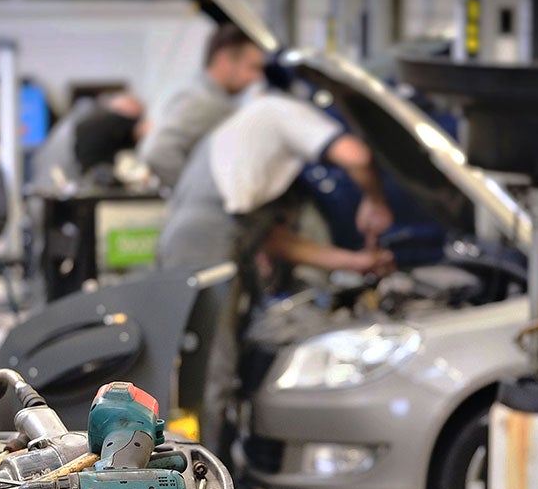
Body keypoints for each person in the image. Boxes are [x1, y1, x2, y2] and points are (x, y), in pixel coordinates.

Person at [159, 91, 395, 456]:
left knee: (221, 366)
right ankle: (203, 485)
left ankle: (224, 468)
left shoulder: (251, 141)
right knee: (212, 371)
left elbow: (275, 241)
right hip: (206, 244)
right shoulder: (281, 113)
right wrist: (375, 201)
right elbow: (356, 156)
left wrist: (354, 262)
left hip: (207, 241)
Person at [140, 23, 266, 189]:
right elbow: (157, 152)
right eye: (252, 68)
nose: (256, 78)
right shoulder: (202, 102)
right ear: (224, 60)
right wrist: (197, 197)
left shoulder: (208, 98)